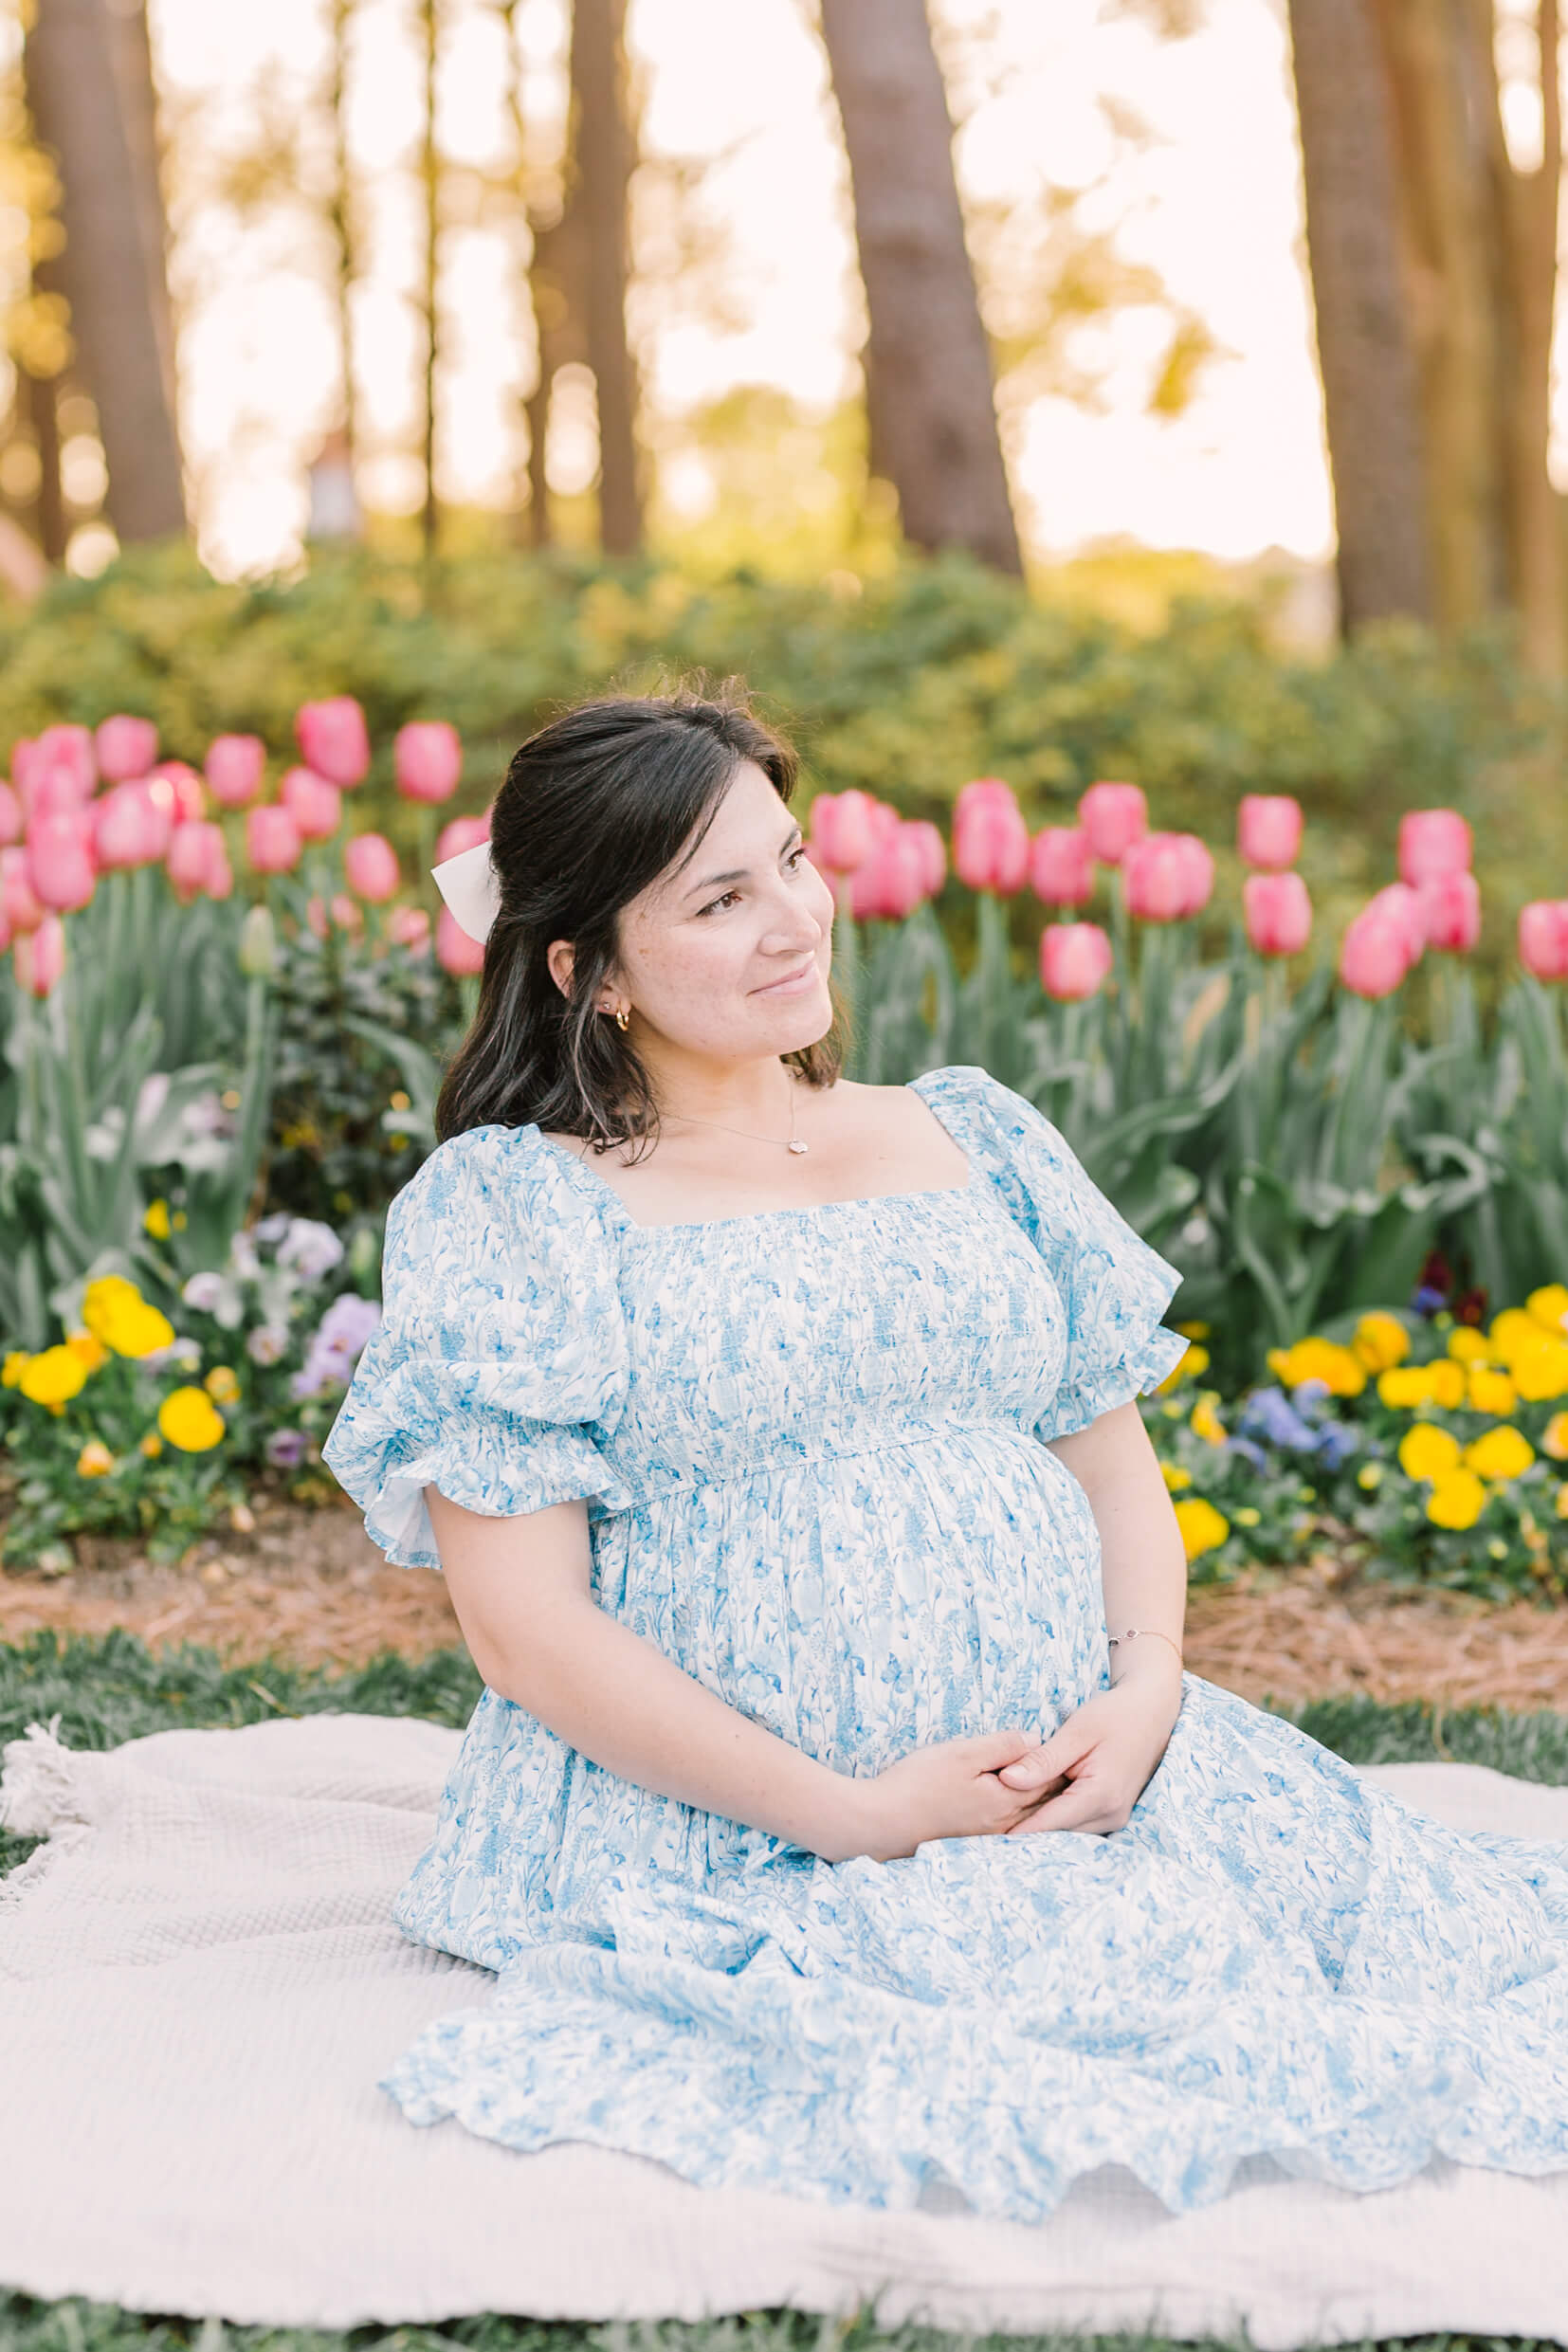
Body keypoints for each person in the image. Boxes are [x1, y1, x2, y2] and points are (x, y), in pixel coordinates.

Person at [322, 685, 1568, 2225]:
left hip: (1083, 1774)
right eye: (721, 898)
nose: (794, 920)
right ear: (591, 972)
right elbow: (525, 1630)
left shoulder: (967, 1131)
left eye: (791, 858)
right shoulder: (516, 1207)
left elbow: (1111, 1466)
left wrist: (1145, 1692)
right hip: (733, 1832)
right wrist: (847, 1813)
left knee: (1424, 1958)